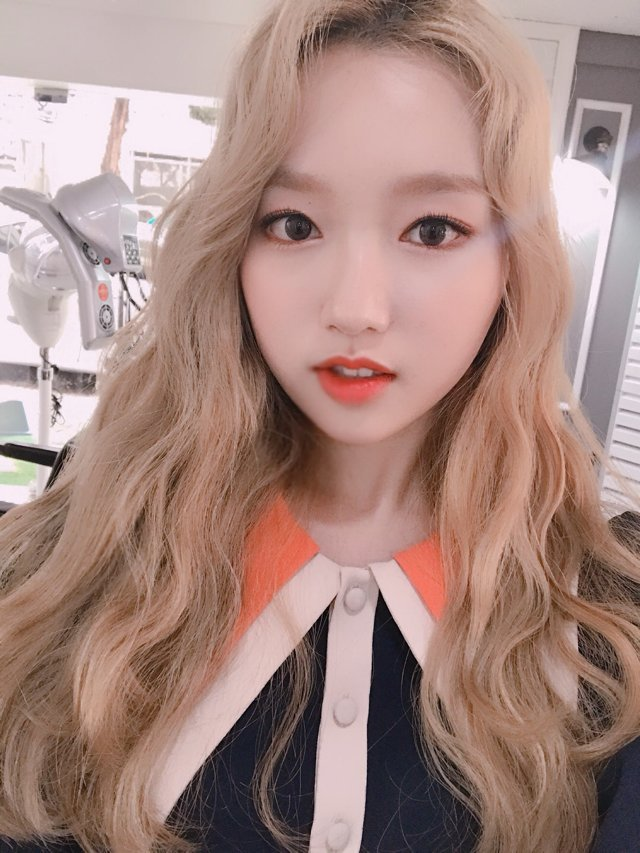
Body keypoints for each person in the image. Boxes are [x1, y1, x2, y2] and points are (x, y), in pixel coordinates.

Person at [1, 0, 640, 851]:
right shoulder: (74, 556)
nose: (356, 308)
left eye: (433, 229)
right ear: (233, 244)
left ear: (512, 268)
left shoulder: (605, 622)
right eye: (294, 224)